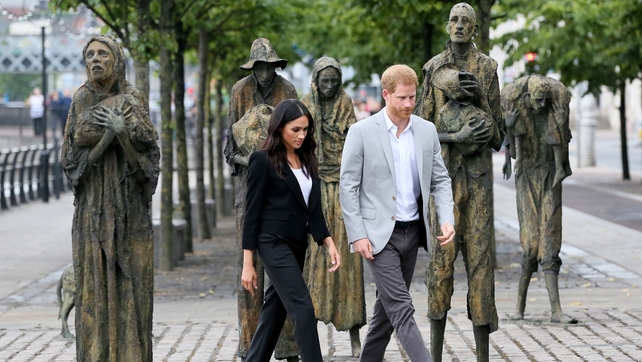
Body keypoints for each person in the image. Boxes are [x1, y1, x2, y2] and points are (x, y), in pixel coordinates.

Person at [340, 64, 455, 362]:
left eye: (412, 98)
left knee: (387, 311)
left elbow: (441, 180)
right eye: (402, 98)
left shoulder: (427, 131)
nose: (408, 104)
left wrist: (446, 218)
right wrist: (358, 235)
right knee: (402, 308)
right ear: (386, 94)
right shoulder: (361, 132)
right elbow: (348, 188)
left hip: (413, 232)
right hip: (379, 237)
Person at [61, 34, 160, 362]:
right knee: (93, 288)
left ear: (116, 59)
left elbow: (144, 165)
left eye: (102, 54)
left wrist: (124, 136)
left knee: (132, 285)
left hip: (129, 208)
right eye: (90, 55)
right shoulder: (81, 101)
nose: (95, 60)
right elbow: (75, 164)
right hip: (93, 209)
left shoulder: (133, 98)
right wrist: (109, 136)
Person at [414, 3, 504, 361]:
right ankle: (434, 355)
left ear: (475, 29)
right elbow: (420, 130)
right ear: (446, 26)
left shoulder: (488, 68)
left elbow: (498, 136)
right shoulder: (434, 69)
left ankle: (482, 355)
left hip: (479, 180)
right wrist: (457, 136)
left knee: (481, 264)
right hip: (444, 183)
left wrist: (480, 96)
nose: (459, 26)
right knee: (441, 262)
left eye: (466, 21)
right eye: (454, 20)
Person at [241, 98, 341, 362]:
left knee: (275, 309)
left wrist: (328, 241)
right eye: (295, 129)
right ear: (280, 128)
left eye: (305, 129)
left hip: (297, 245)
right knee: (302, 307)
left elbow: (313, 209)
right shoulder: (262, 160)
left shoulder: (307, 159)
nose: (301, 135)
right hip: (272, 242)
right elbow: (251, 215)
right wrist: (248, 263)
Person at [222, 37, 298, 360]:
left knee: (287, 271)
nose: (264, 73)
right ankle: (249, 345)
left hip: (282, 189)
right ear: (253, 67)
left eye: (269, 66)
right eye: (259, 67)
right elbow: (231, 148)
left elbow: (300, 137)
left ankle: (289, 346)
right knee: (248, 270)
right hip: (249, 189)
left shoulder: (288, 92)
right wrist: (252, 160)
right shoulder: (240, 91)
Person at [300, 57, 366, 357]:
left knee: (348, 258)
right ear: (315, 80)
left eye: (334, 81)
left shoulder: (345, 104)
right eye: (324, 81)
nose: (329, 86)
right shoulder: (305, 104)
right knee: (315, 260)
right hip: (313, 187)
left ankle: (353, 331)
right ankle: (309, 330)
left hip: (342, 188)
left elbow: (353, 143)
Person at [501, 75, 577, 324]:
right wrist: (509, 128)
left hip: (549, 176)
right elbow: (512, 152)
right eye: (537, 100)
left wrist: (562, 122)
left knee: (551, 236)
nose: (541, 105)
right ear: (527, 98)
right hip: (527, 178)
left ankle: (556, 310)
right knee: (530, 241)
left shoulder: (554, 113)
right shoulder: (518, 110)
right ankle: (519, 308)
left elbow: (561, 146)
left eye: (545, 100)